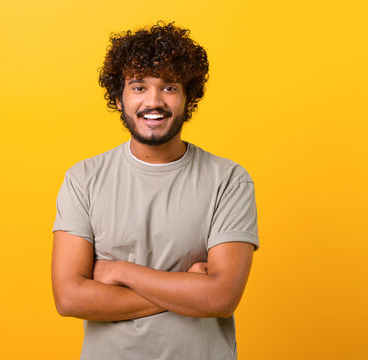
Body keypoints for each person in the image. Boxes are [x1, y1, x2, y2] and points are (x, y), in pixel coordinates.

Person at [51, 20, 260, 360]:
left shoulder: (229, 180)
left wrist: (119, 272)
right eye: (138, 87)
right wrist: (189, 289)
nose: (153, 101)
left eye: (169, 87)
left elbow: (220, 299)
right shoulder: (83, 178)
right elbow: (70, 298)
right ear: (118, 99)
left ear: (188, 98)